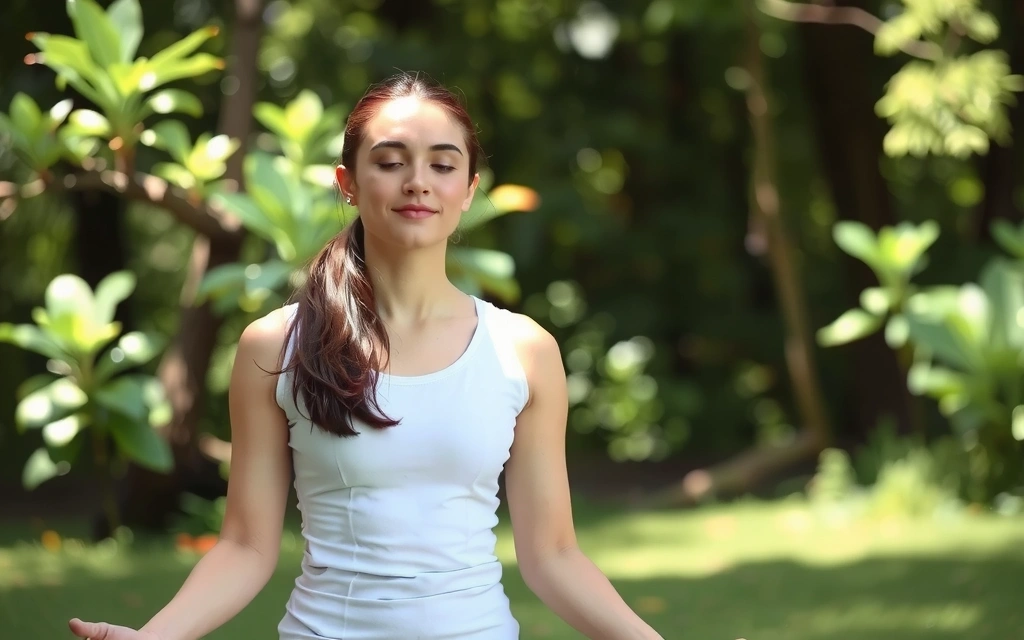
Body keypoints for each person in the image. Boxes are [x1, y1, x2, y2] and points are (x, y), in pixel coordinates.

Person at [68, 72, 664, 640]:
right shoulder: (275, 346)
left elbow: (554, 555)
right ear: (347, 181)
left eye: (443, 164)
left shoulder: (524, 351)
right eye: (390, 161)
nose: (418, 182)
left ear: (470, 189)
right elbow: (246, 546)